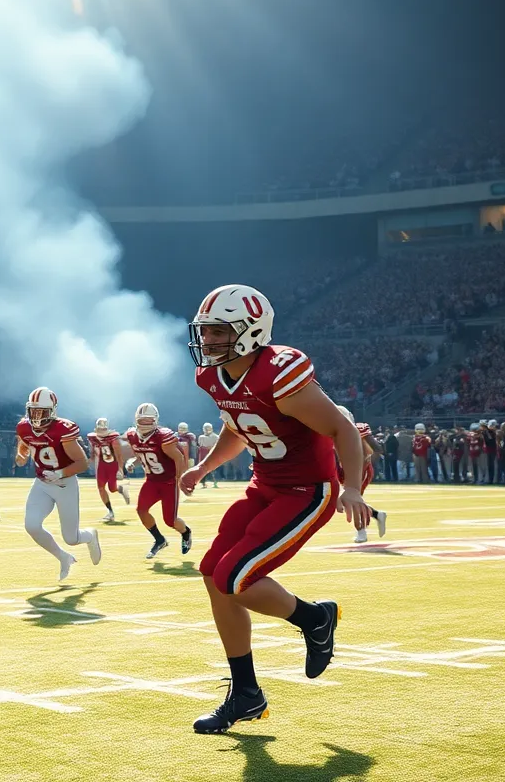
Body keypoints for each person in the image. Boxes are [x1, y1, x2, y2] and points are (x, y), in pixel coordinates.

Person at [179, 284, 370, 734]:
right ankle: (247, 694)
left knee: (235, 578)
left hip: (308, 490)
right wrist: (204, 468)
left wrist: (353, 487)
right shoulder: (212, 375)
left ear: (250, 331)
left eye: (219, 331)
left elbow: (342, 428)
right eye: (206, 331)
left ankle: (314, 618)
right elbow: (239, 427)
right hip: (265, 484)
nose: (208, 340)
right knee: (212, 574)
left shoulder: (279, 373)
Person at [15, 387, 102, 581]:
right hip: (42, 484)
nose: (37, 417)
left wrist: (60, 473)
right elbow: (23, 441)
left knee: (71, 538)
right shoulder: (24, 427)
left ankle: (90, 536)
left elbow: (82, 463)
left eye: (42, 412)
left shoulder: (62, 429)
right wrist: (21, 454)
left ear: (52, 411)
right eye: (33, 411)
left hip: (64, 484)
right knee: (32, 526)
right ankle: (63, 558)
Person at [123, 403, 192, 558]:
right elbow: (143, 454)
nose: (145, 424)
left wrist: (180, 479)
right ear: (136, 420)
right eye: (142, 420)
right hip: (152, 481)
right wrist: (133, 462)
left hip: (169, 482)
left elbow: (179, 457)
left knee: (170, 521)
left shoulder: (163, 436)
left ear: (155, 420)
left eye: (149, 420)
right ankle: (159, 540)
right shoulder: (132, 436)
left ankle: (186, 532)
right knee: (141, 510)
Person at [336, 407, 387, 544]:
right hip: (342, 467)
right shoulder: (331, 431)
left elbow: (377, 449)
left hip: (359, 468)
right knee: (339, 500)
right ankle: (376, 514)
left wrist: (365, 463)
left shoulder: (358, 429)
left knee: (353, 500)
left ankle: (361, 532)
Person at [88, 417, 129, 523]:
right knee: (101, 488)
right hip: (101, 466)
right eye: (100, 430)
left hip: (112, 466)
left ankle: (121, 489)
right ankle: (110, 512)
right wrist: (90, 460)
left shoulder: (113, 439)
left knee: (112, 488)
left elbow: (119, 455)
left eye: (103, 430)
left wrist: (120, 469)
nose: (101, 432)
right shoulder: (93, 438)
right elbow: (93, 452)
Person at [197, 422, 219, 488]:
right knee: (202, 469)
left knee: (213, 468)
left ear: (211, 428)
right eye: (205, 428)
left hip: (212, 453)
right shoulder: (201, 437)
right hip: (203, 454)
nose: (207, 429)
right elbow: (200, 445)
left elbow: (216, 446)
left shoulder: (216, 437)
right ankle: (203, 483)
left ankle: (215, 482)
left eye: (208, 428)